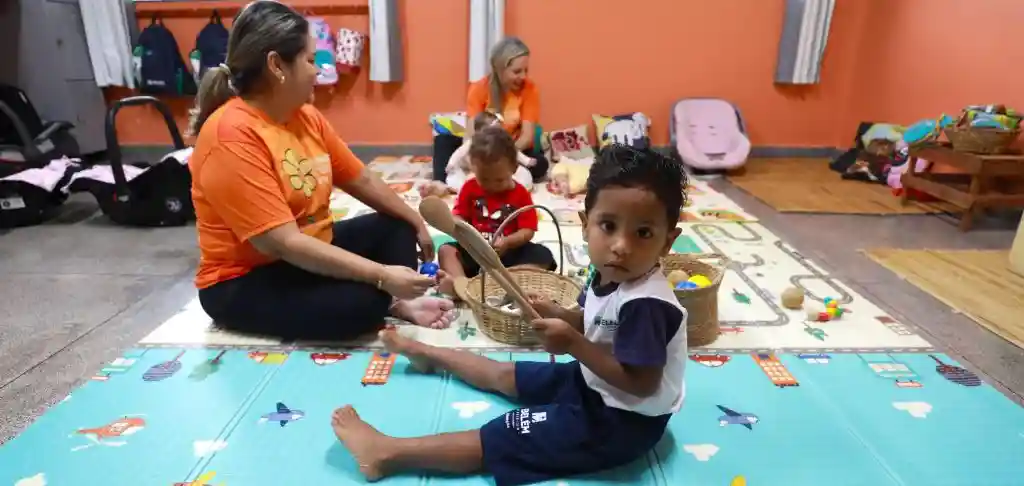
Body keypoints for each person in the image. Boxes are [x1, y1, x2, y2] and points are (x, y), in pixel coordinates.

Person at [332, 144, 690, 486]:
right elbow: (599, 325)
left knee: (504, 433)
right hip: (595, 384)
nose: (621, 246)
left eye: (643, 233)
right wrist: (563, 316)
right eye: (608, 226)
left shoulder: (647, 305)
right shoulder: (611, 272)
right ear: (585, 225)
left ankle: (385, 453)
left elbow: (641, 384)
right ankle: (428, 355)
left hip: (622, 423)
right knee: (507, 373)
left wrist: (573, 343)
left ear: (668, 241)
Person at [186, 1, 455, 341]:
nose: (317, 71)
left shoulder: (305, 115)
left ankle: (392, 301)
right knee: (363, 303)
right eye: (311, 60)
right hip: (245, 278)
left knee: (396, 225)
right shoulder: (231, 135)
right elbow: (284, 244)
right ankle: (389, 303)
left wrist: (416, 221)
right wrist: (382, 276)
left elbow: (361, 178)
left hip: (306, 251)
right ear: (276, 66)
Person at [434, 126, 556, 297]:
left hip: (508, 255)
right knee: (445, 250)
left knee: (544, 256)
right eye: (484, 179)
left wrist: (508, 242)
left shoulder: (521, 194)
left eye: (499, 180)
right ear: (472, 167)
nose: (491, 186)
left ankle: (499, 282)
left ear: (514, 168)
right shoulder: (469, 188)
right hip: (475, 253)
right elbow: (458, 216)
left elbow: (528, 231)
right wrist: (463, 231)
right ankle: (462, 287)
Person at [432, 37, 549, 184]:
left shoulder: (530, 89)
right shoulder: (478, 89)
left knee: (540, 164)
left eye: (526, 70)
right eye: (517, 71)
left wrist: (503, 153)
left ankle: (497, 175)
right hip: (483, 148)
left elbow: (527, 137)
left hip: (511, 147)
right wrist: (480, 156)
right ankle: (440, 184)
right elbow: (471, 133)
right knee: (443, 141)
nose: (523, 76)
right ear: (499, 69)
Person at [419, 111, 535, 198]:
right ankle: (443, 187)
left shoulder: (503, 142)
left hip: (499, 168)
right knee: (458, 177)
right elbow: (459, 153)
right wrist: (451, 164)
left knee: (526, 173)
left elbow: (514, 151)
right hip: (474, 170)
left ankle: (501, 181)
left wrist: (526, 161)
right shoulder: (473, 143)